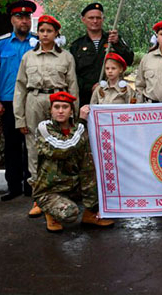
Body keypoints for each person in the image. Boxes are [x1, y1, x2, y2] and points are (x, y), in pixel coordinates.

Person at [13, 14, 79, 218]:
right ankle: (39, 198)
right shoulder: (28, 57)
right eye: (41, 30)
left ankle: (60, 194)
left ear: (56, 33)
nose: (45, 34)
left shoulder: (65, 57)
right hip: (34, 100)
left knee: (60, 145)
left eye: (49, 31)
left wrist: (74, 114)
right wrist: (20, 118)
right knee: (34, 147)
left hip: (59, 102)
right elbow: (20, 87)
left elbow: (72, 84)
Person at [34, 91, 114, 232]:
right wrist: (82, 122)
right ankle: (50, 212)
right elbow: (63, 148)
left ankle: (90, 213)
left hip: (73, 185)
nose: (60, 111)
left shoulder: (78, 128)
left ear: (71, 111)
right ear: (50, 110)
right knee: (70, 213)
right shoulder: (44, 127)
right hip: (51, 190)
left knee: (91, 159)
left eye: (65, 107)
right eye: (56, 107)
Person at [0, 0, 38, 201]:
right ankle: (14, 186)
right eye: (19, 17)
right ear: (12, 20)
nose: (24, 21)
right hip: (8, 101)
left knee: (33, 143)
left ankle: (32, 184)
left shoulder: (38, 42)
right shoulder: (1, 44)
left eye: (27, 17)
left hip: (32, 100)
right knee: (12, 145)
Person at [69, 2, 134, 107]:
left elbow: (129, 60)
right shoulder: (77, 45)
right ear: (83, 20)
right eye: (91, 18)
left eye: (98, 18)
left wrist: (117, 43)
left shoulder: (113, 39)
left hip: (114, 97)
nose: (95, 21)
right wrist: (90, 87)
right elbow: (73, 75)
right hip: (86, 98)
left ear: (103, 19)